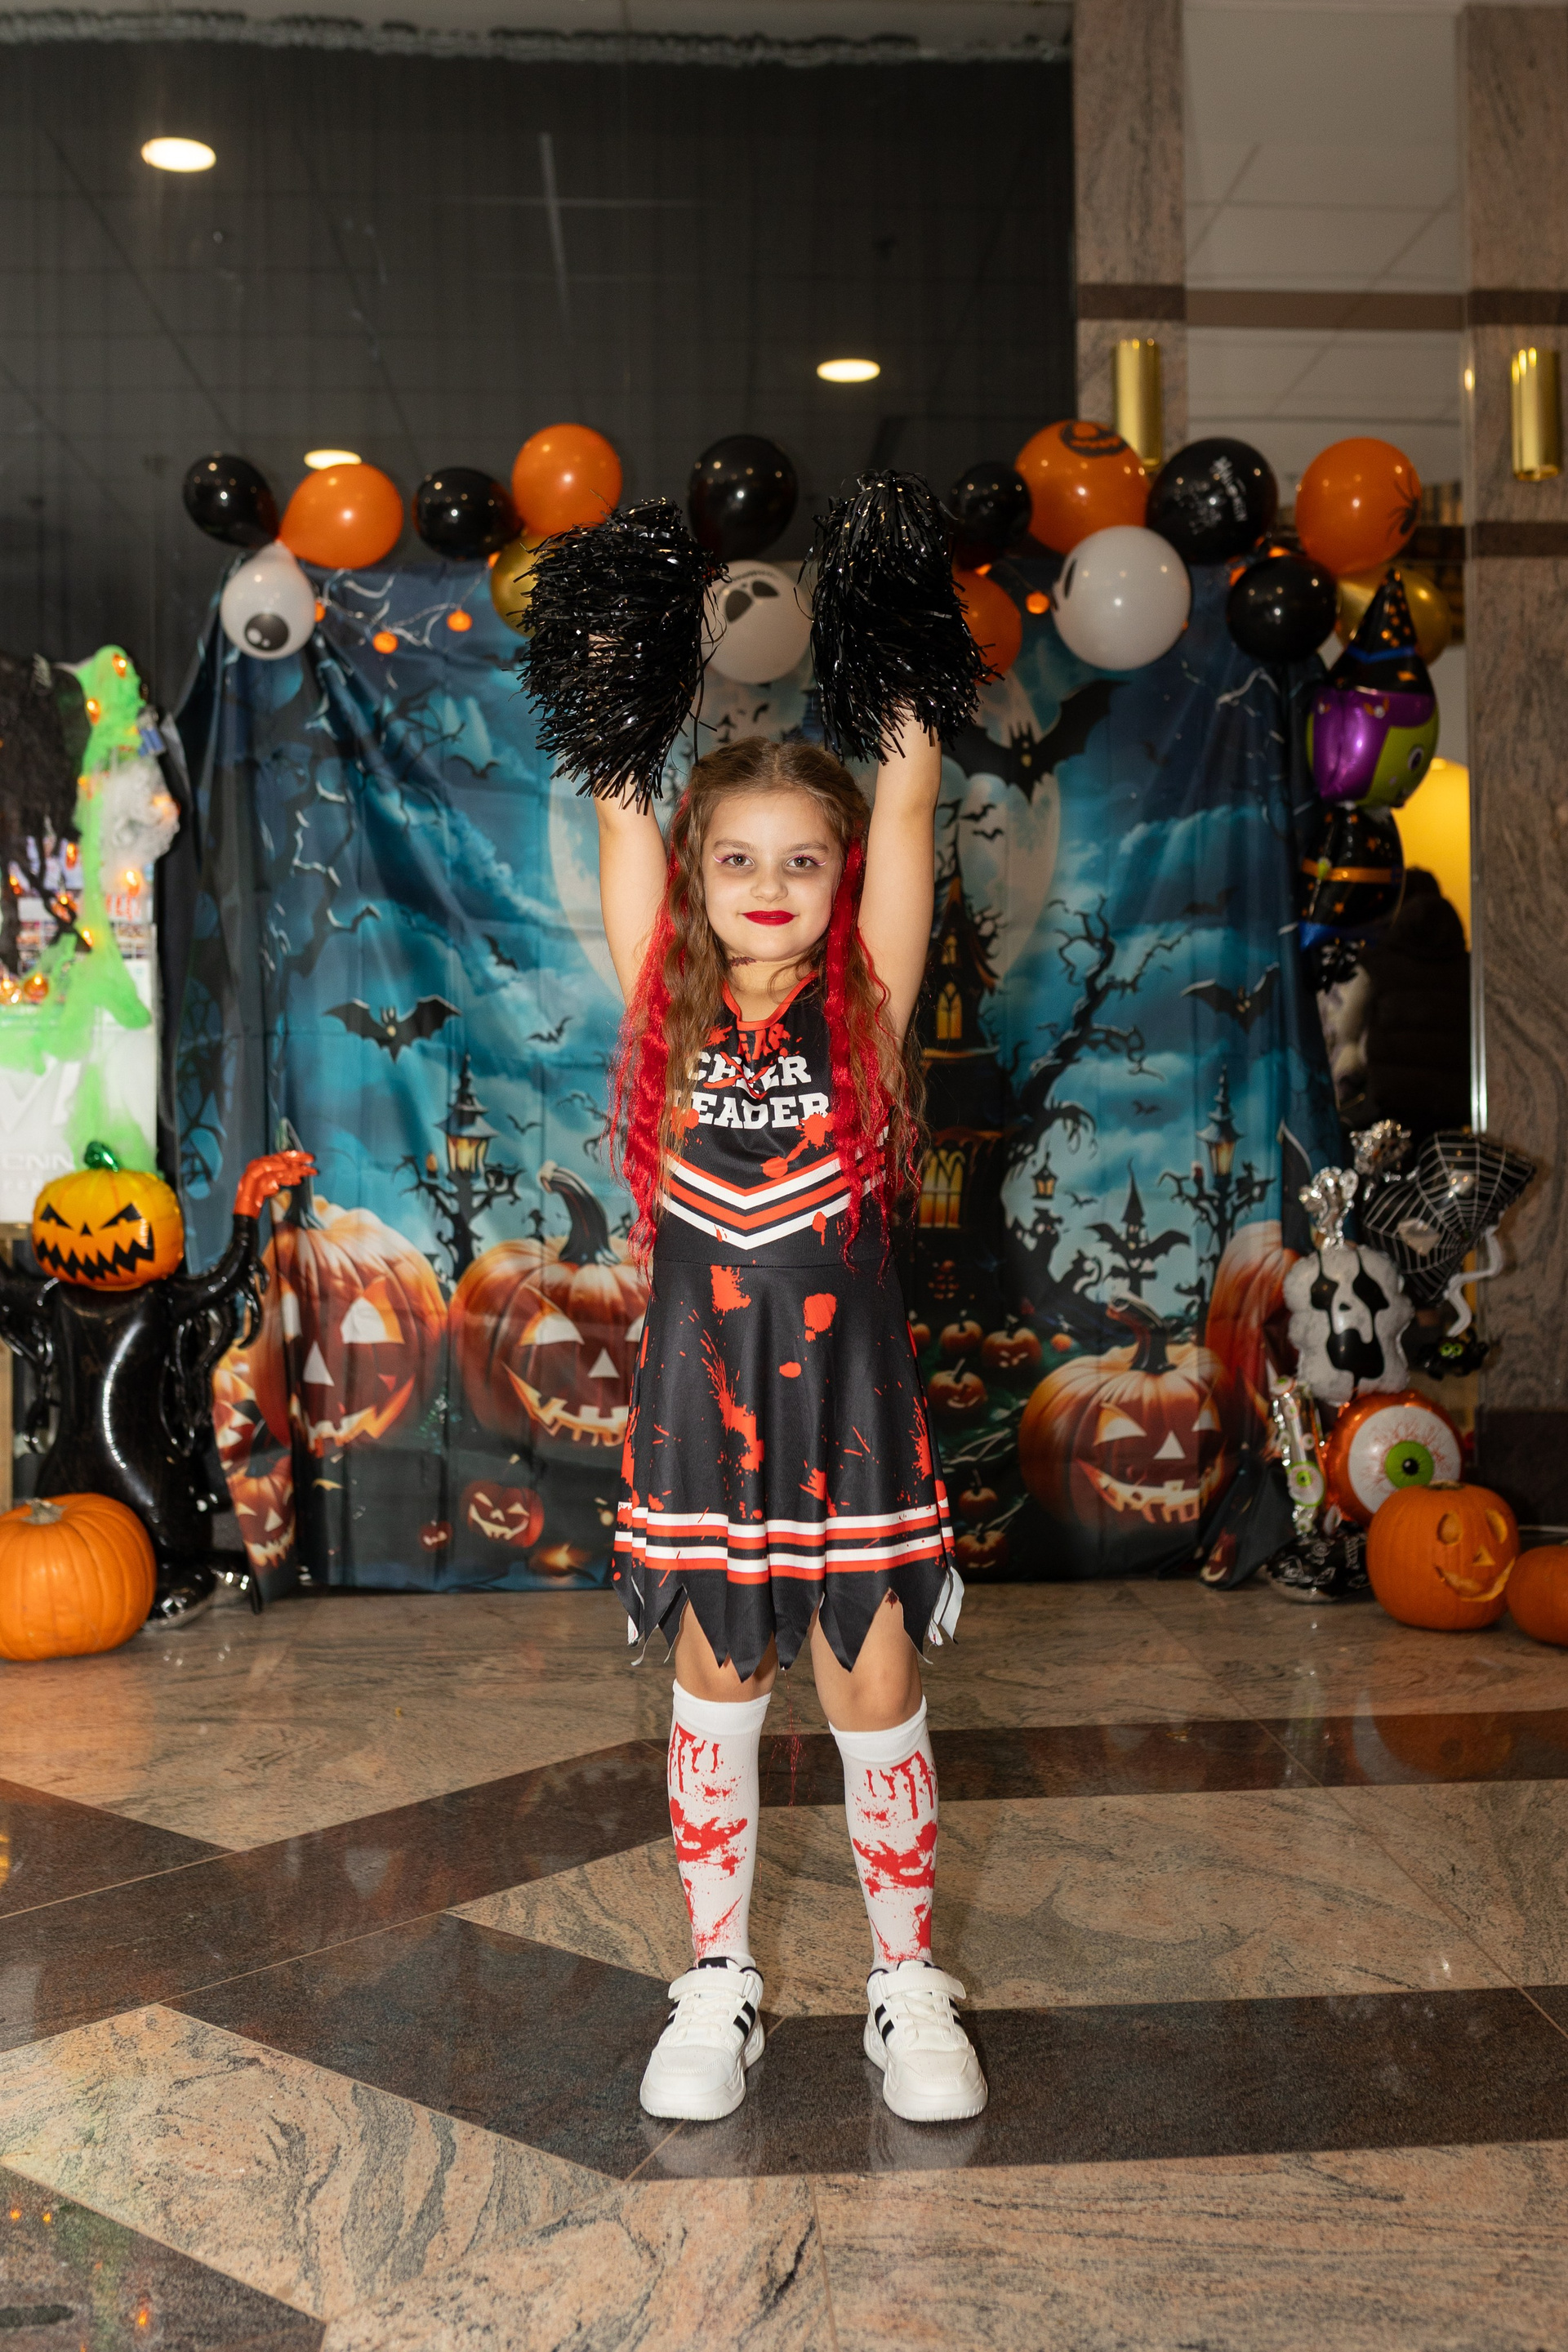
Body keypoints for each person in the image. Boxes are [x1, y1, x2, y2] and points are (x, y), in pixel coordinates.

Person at [595, 727, 986, 2128]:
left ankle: (906, 1981)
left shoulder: (868, 1003)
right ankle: (718, 1980)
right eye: (738, 859)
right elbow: (620, 813)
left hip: (849, 1410)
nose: (768, 886)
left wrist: (908, 697)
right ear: (695, 874)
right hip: (705, 1413)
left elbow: (912, 796)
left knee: (874, 1686)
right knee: (718, 1680)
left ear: (845, 877)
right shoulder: (664, 1000)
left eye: (803, 861)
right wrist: (614, 674)